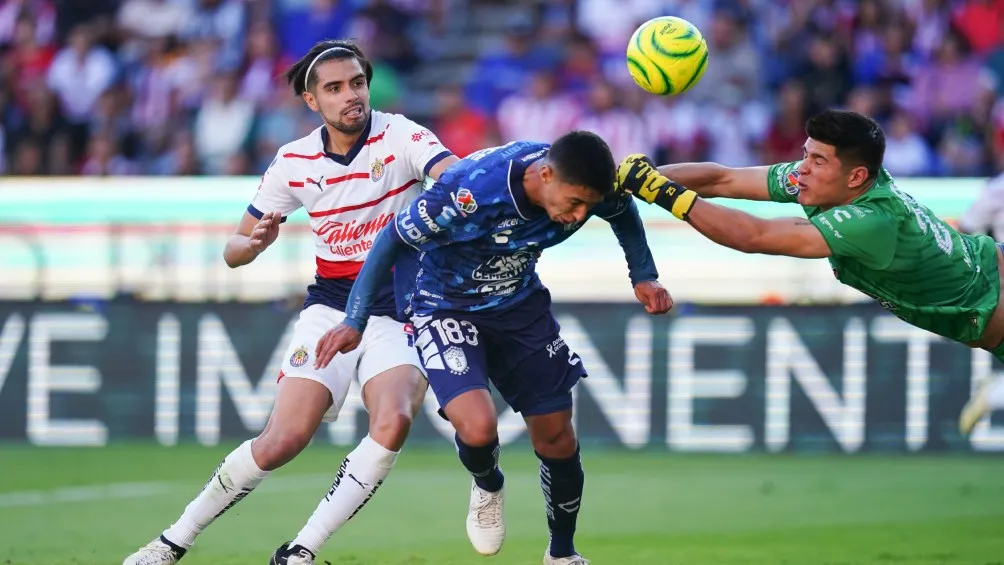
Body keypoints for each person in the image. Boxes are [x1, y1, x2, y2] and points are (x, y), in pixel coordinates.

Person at [123, 40, 459, 565]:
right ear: (311, 101)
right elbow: (233, 251)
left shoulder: (401, 135)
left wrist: (459, 189)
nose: (351, 95)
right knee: (283, 439)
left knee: (392, 419)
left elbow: (451, 174)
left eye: (357, 83)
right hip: (330, 308)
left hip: (399, 311)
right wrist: (252, 244)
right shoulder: (294, 162)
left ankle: (300, 551)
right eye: (335, 88)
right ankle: (173, 541)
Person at [313, 132, 673, 564]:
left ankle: (562, 554)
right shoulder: (470, 189)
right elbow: (393, 238)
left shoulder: (586, 186)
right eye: (575, 203)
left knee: (557, 434)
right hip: (444, 305)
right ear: (545, 174)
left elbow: (622, 210)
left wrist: (643, 275)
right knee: (479, 428)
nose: (578, 215)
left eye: (586, 207)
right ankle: (487, 482)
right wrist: (355, 318)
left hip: (519, 305)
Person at [613, 109, 1004, 436]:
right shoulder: (830, 183)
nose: (803, 168)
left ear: (855, 177)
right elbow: (723, 179)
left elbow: (755, 235)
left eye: (818, 161)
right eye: (806, 154)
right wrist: (638, 180)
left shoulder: (870, 222)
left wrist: (662, 193)